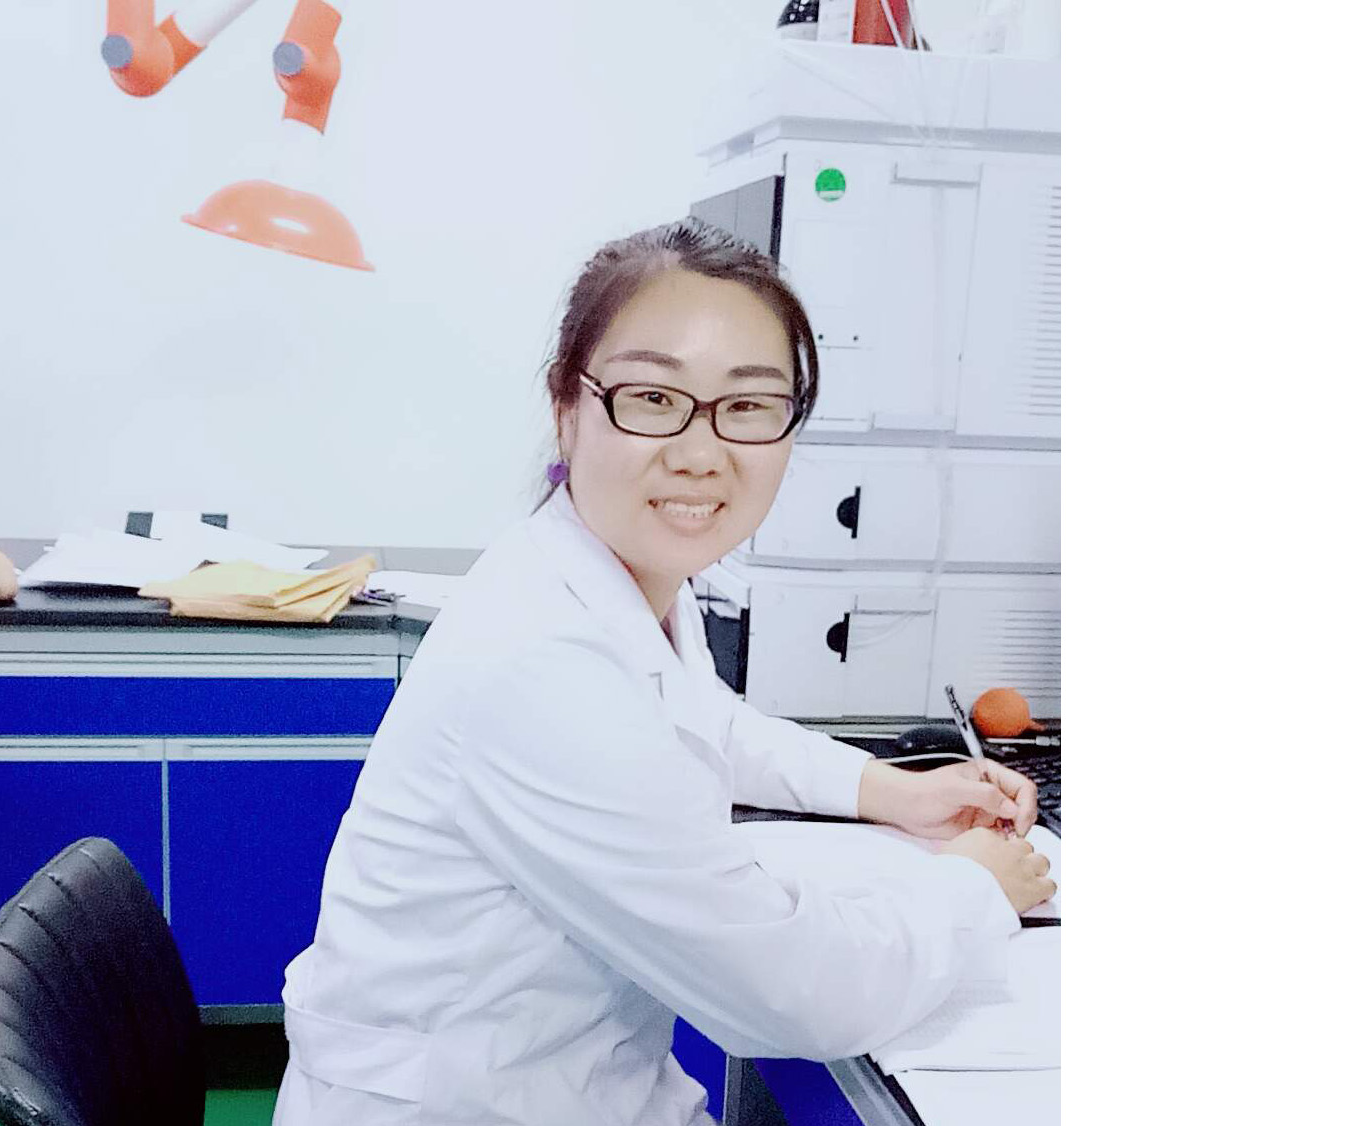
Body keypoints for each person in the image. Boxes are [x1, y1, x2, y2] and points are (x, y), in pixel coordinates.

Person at [273, 219, 1053, 1126]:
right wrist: (974, 888)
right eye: (651, 397)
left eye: (749, 405)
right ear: (567, 406)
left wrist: (893, 790)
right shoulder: (539, 661)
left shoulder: (611, 582)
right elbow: (791, 993)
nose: (701, 451)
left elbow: (703, 719)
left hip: (565, 1081)